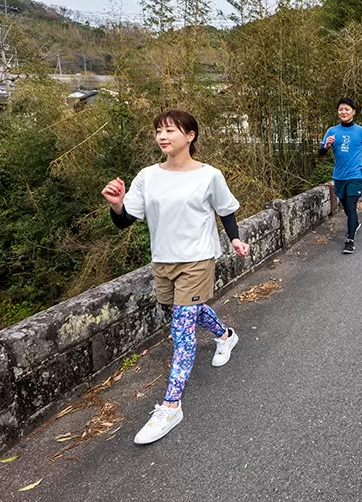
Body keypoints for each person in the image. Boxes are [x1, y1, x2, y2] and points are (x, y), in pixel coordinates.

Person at [101, 109, 250, 445]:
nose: (162, 136)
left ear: (190, 136)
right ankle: (225, 335)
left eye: (170, 130)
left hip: (197, 259)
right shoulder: (147, 176)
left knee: (181, 330)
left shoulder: (209, 175)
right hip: (163, 260)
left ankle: (171, 406)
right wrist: (116, 205)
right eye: (158, 131)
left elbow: (225, 209)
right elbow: (127, 221)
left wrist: (235, 238)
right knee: (189, 312)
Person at [318, 97, 362, 254]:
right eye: (341, 109)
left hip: (355, 175)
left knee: (351, 205)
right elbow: (320, 153)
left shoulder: (361, 131)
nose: (343, 112)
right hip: (339, 176)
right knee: (347, 209)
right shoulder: (332, 131)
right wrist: (326, 145)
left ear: (353, 112)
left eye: (347, 109)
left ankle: (350, 241)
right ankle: (355, 223)